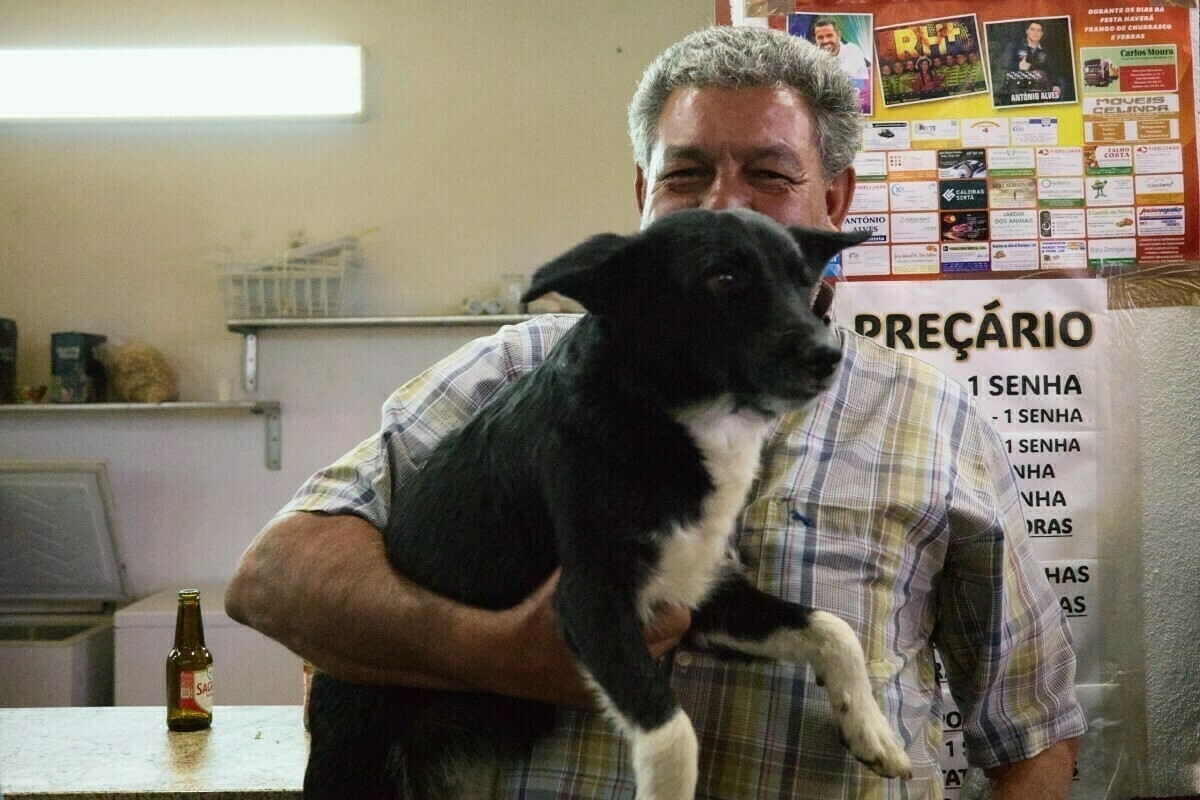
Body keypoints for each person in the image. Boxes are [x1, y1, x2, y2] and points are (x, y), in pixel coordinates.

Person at [226, 25, 1084, 799]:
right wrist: (483, 651)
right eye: (686, 174)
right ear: (643, 195)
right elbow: (274, 579)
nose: (722, 205)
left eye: (769, 173)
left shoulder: (935, 416)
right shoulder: (514, 371)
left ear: (836, 202)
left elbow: (1031, 729)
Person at [1001, 21, 1064, 98]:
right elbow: (1002, 68)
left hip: (1041, 92)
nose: (1035, 32)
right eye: (1032, 29)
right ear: (1027, 31)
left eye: (1038, 30)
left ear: (1042, 33)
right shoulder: (1014, 46)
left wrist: (1056, 85)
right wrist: (1018, 66)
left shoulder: (1047, 50)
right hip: (1018, 93)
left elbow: (1054, 71)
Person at [812, 16, 870, 81]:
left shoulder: (852, 50)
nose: (825, 41)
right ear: (815, 40)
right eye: (820, 37)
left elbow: (858, 83)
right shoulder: (814, 58)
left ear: (839, 35)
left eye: (829, 35)